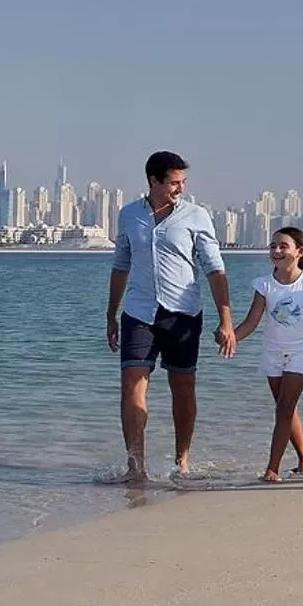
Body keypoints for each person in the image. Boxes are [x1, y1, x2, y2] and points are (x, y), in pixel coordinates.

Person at [106, 150, 236, 482]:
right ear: (154, 181)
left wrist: (226, 319)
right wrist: (111, 313)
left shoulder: (196, 215)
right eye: (175, 182)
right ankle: (136, 466)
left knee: (183, 386)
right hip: (138, 312)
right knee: (131, 384)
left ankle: (183, 461)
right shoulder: (129, 215)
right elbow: (121, 264)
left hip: (183, 313)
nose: (181, 188)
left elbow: (214, 269)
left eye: (183, 182)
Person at [231, 226, 303, 483]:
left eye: (283, 246)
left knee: (285, 407)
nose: (276, 250)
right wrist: (231, 337)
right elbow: (251, 322)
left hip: (302, 350)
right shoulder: (264, 285)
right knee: (285, 408)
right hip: (272, 351)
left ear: (299, 252)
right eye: (273, 246)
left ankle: (273, 468)